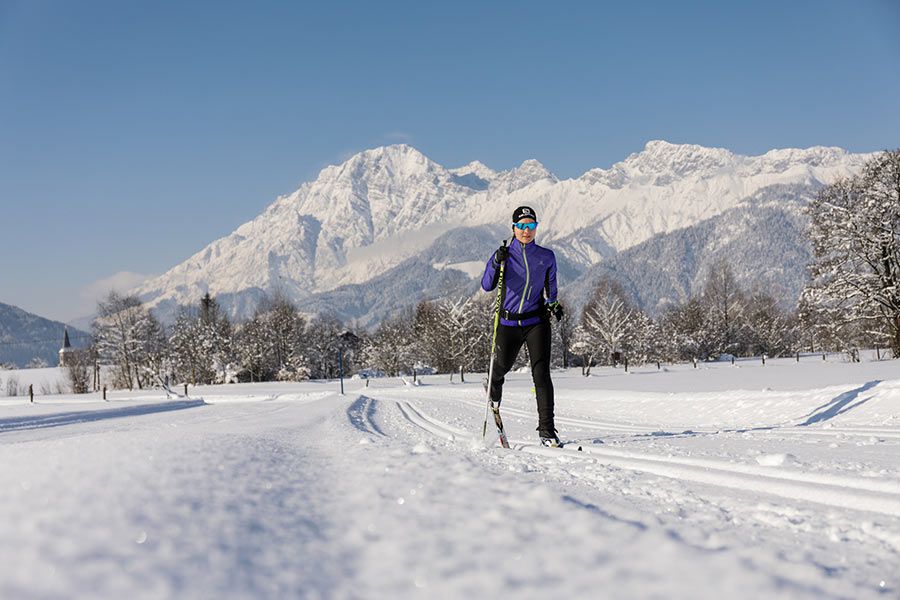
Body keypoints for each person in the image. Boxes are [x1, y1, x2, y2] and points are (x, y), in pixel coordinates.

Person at [481, 205, 564, 447]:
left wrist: (553, 304)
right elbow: (487, 285)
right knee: (501, 368)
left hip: (536, 322)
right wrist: (496, 262)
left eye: (531, 226)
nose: (526, 230)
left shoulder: (546, 256)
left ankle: (547, 431)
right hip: (508, 323)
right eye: (521, 226)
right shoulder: (505, 255)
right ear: (513, 229)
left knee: (541, 374)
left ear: (536, 228)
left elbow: (551, 286)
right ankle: (493, 392)